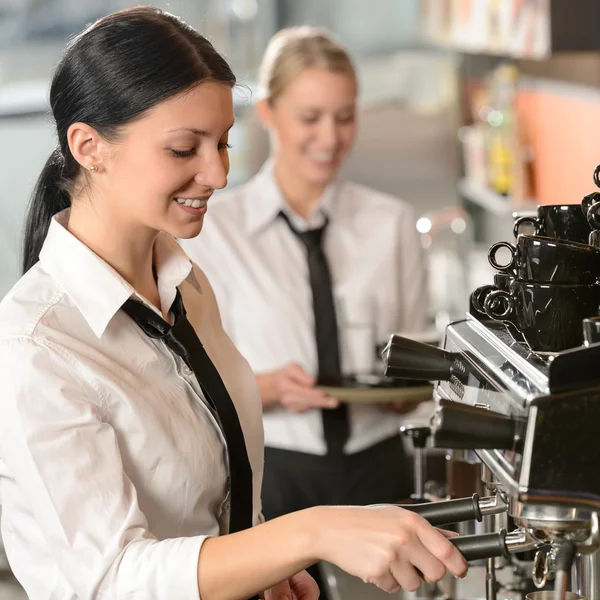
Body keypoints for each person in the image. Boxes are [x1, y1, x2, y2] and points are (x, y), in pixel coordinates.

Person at [0, 8, 466, 600]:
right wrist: (309, 532)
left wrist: (263, 560)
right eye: (183, 149)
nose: (217, 173)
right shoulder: (35, 346)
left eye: (221, 143)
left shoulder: (185, 284)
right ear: (90, 147)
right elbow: (110, 580)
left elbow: (208, 498)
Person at [180, 26, 430, 592]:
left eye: (345, 117)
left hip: (378, 465)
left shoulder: (391, 222)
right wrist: (269, 388)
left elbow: (415, 361)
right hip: (273, 471)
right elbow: (192, 381)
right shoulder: (214, 231)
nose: (330, 136)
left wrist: (402, 389)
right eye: (311, 116)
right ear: (267, 112)